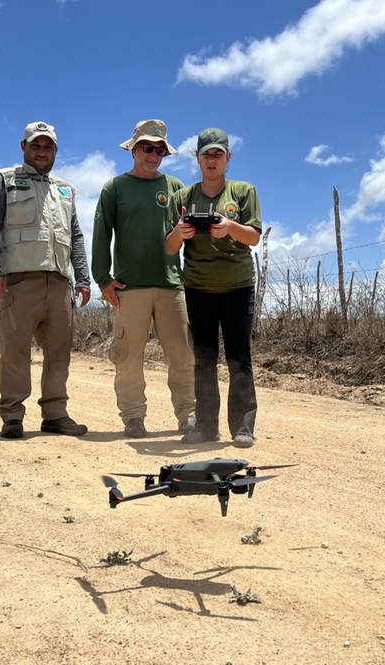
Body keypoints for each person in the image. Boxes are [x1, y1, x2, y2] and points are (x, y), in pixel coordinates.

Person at [0, 121, 91, 439]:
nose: (41, 152)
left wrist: (82, 278)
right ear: (23, 146)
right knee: (15, 351)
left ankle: (55, 415)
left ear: (55, 150)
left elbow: (76, 236)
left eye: (48, 146)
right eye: (35, 145)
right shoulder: (4, 180)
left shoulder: (65, 189)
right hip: (18, 282)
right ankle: (12, 416)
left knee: (59, 352)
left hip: (59, 284)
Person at [92, 119, 195, 438]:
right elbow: (101, 235)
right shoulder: (114, 187)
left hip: (171, 285)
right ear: (133, 149)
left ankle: (189, 416)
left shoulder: (176, 187)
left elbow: (189, 234)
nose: (153, 155)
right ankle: (133, 417)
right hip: (128, 287)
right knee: (128, 356)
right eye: (148, 148)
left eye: (160, 150)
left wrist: (192, 278)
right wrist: (102, 278)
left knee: (183, 355)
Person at [166, 128, 262, 449]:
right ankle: (206, 427)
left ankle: (243, 427)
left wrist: (229, 226)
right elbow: (169, 246)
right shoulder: (182, 198)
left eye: (218, 154)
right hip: (198, 289)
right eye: (206, 154)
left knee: (239, 359)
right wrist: (181, 232)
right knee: (204, 360)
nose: (211, 160)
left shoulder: (244, 191)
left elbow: (253, 237)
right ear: (197, 158)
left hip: (238, 287)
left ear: (228, 157)